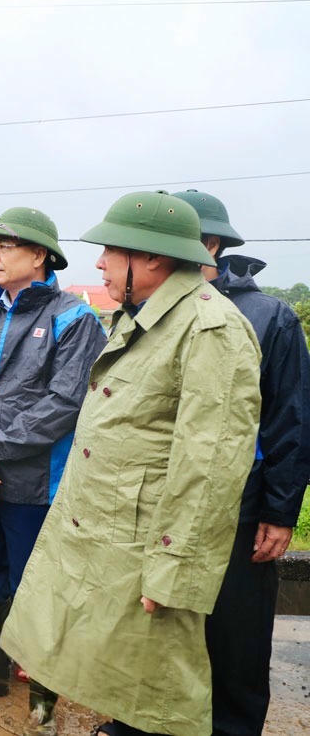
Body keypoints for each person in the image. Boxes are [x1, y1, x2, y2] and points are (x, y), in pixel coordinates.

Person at [1, 191, 262, 736]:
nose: (99, 263)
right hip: (112, 535)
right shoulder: (144, 317)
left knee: (161, 687)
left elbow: (211, 466)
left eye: (110, 251)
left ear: (152, 258)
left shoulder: (210, 329)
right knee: (127, 676)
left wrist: (175, 571)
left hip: (149, 546)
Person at [0, 207, 106, 735]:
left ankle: (43, 700)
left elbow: (64, 404)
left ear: (40, 256)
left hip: (37, 483)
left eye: (5, 247)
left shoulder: (73, 318)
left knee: (38, 584)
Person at [173, 189, 310, 734]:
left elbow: (290, 419)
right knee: (157, 623)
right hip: (164, 499)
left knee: (236, 632)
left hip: (239, 504)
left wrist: (279, 511)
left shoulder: (267, 316)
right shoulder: (147, 314)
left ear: (211, 245)